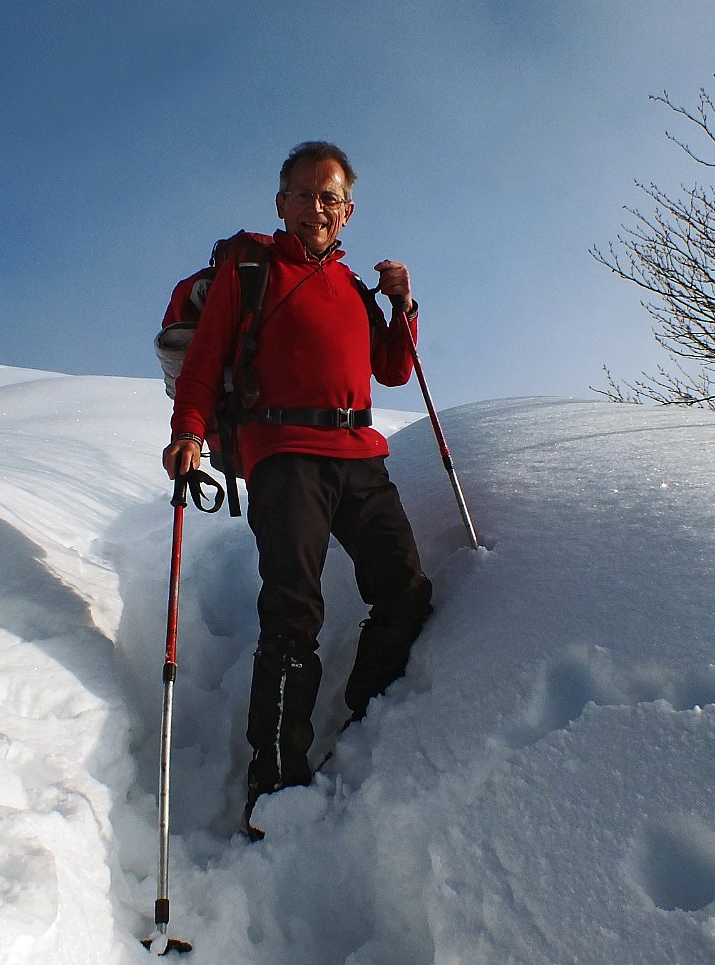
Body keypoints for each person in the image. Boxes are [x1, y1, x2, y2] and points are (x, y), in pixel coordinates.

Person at [162, 141, 433, 834]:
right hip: (283, 452)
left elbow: (395, 369)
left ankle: (367, 719)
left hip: (359, 451)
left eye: (330, 197)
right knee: (293, 614)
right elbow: (205, 359)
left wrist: (401, 302)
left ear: (347, 212)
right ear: (281, 202)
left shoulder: (352, 287)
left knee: (403, 588)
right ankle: (273, 784)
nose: (317, 207)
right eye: (304, 194)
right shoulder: (251, 265)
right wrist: (188, 431)